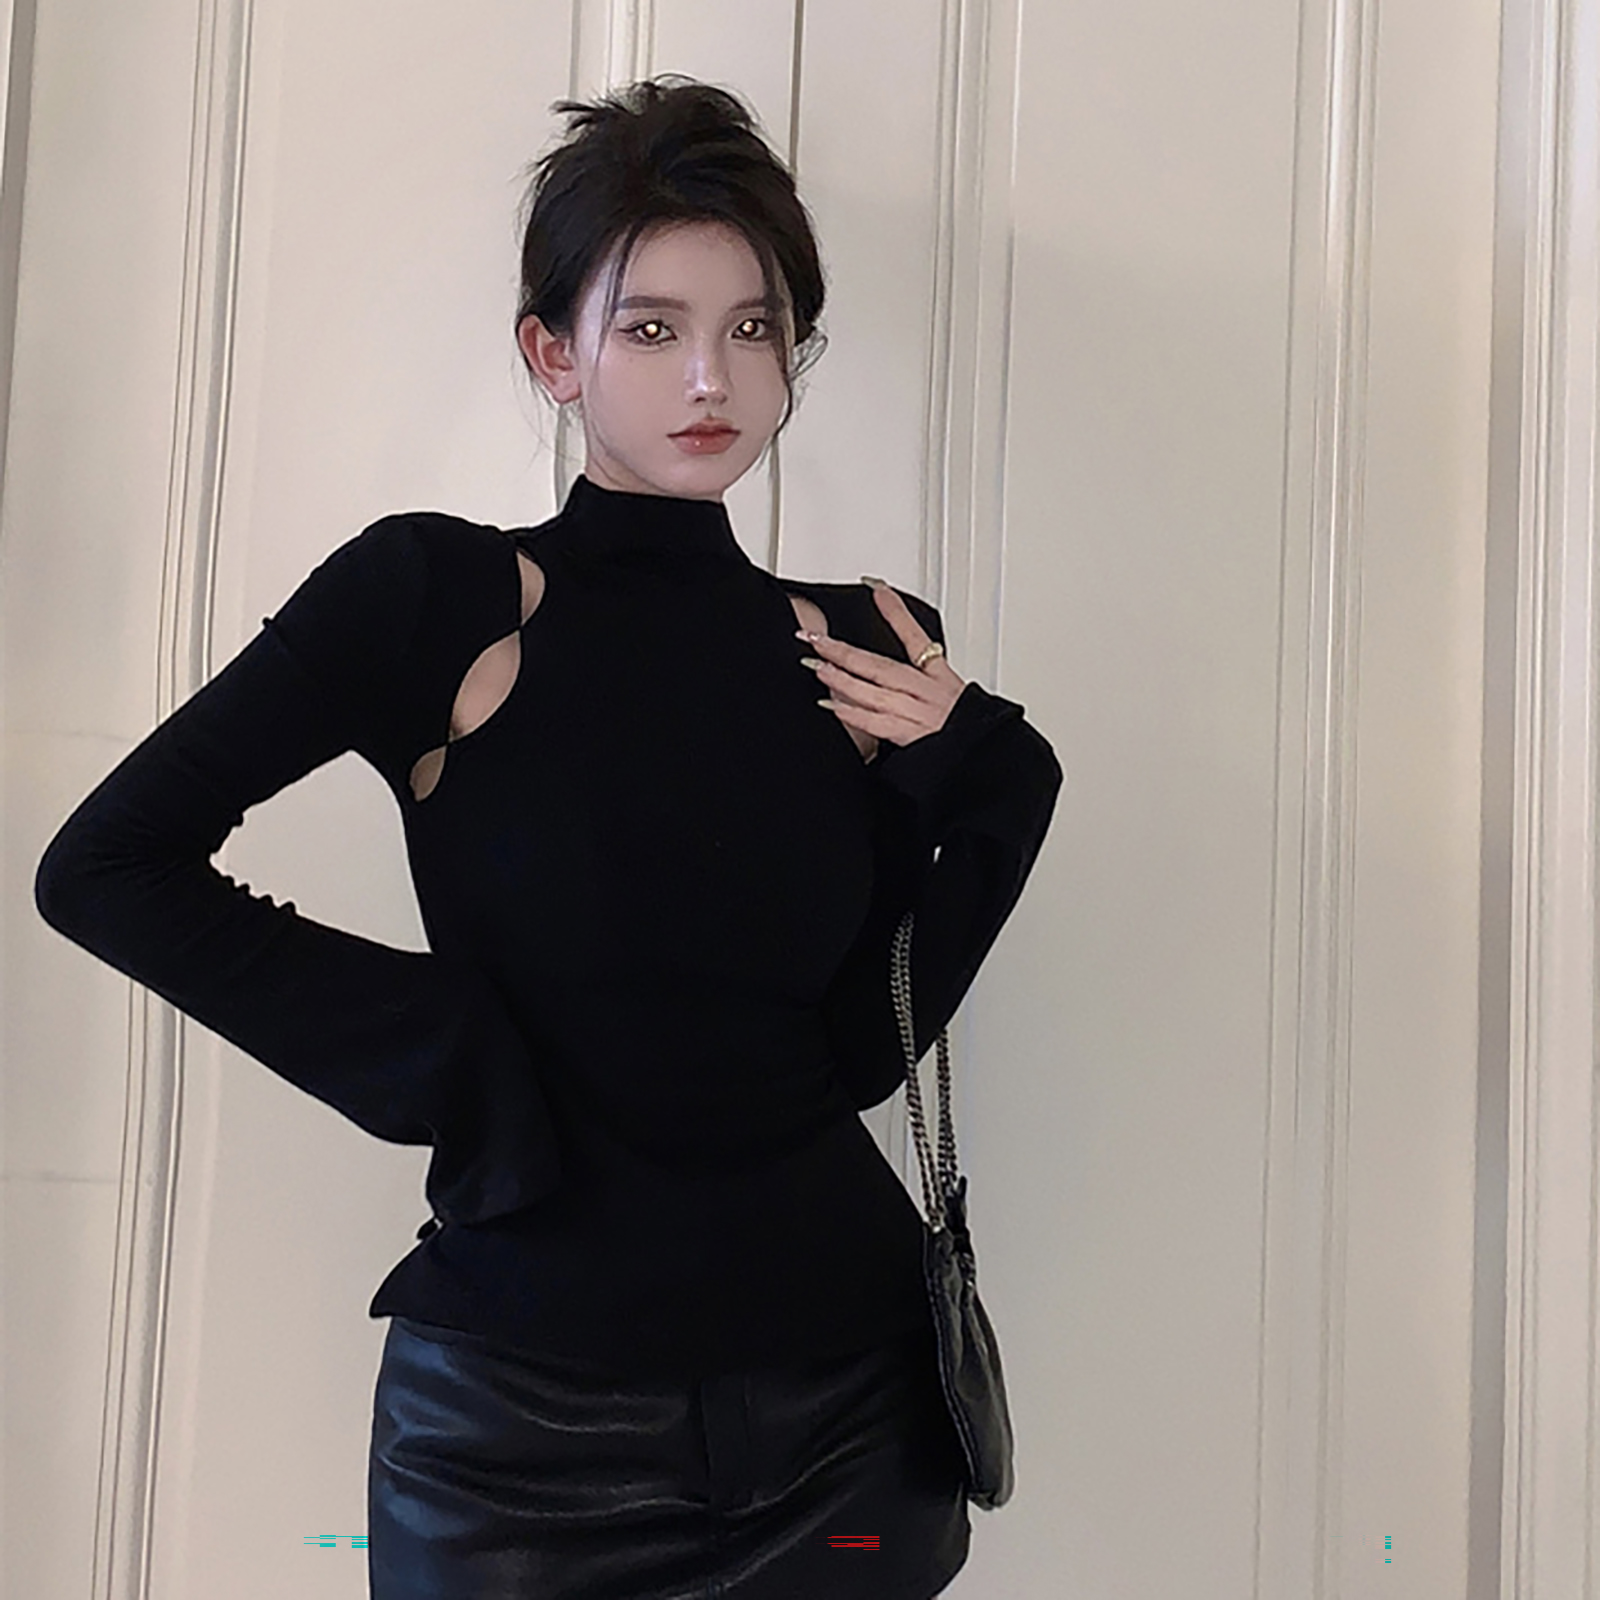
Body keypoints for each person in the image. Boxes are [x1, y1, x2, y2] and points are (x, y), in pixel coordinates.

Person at [33, 74, 1063, 1599]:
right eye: (650, 327)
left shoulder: (864, 645)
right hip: (519, 1439)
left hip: (851, 1413)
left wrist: (1002, 783)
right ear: (553, 353)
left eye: (755, 327)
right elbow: (103, 870)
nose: (711, 375)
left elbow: (855, 1053)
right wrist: (442, 1050)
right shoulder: (435, 599)